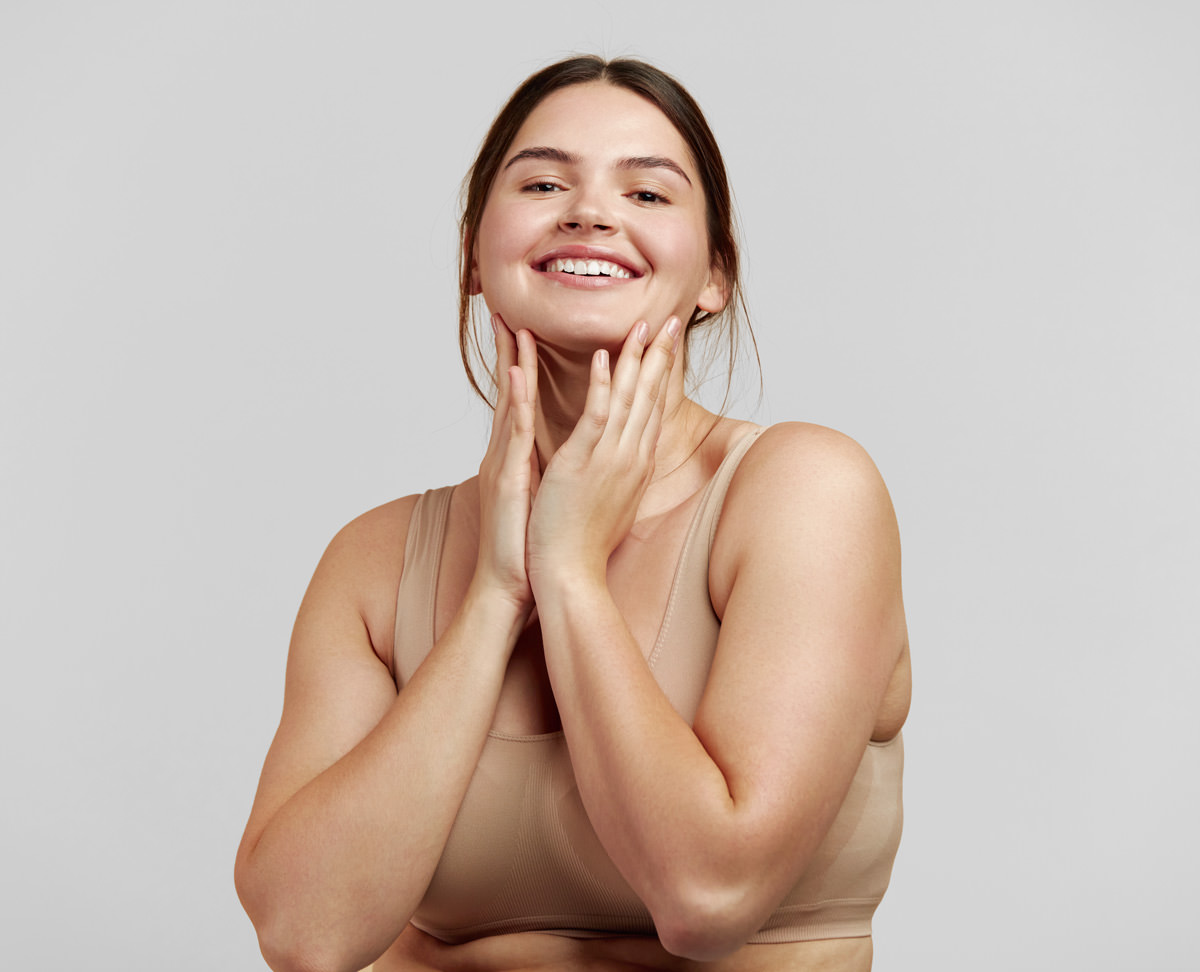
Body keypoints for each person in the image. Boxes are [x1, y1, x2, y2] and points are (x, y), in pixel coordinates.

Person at [235, 55, 911, 972]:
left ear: (714, 276)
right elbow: (305, 937)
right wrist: (496, 596)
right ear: (477, 253)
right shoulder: (374, 557)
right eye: (545, 182)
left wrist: (569, 572)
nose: (590, 213)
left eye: (648, 193)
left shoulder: (802, 492)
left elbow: (708, 899)